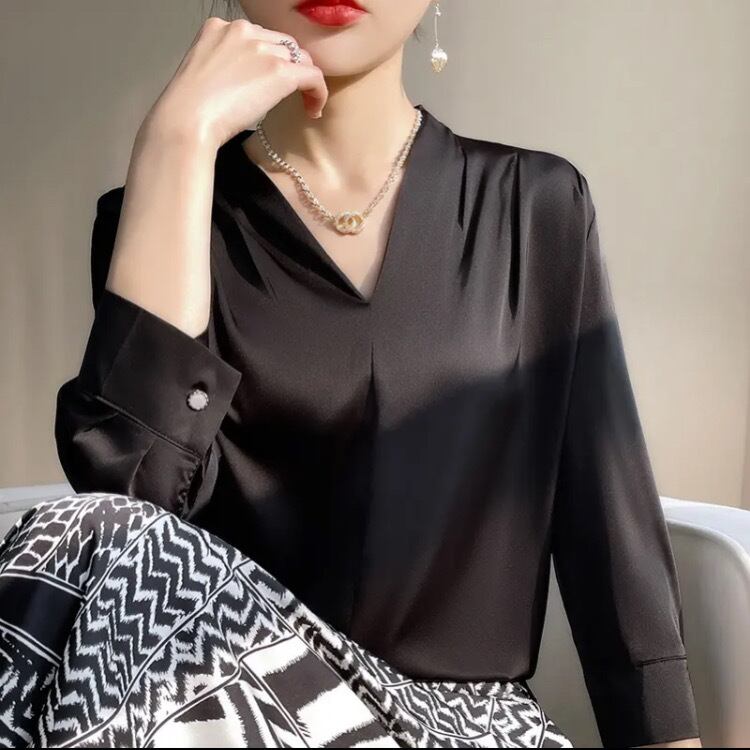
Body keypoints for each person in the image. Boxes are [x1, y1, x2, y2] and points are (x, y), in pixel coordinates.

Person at [0, 1, 703, 747]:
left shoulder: (535, 206)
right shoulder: (162, 209)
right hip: (216, 708)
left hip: (459, 729)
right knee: (85, 534)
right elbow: (127, 519)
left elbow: (607, 529)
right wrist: (177, 140)